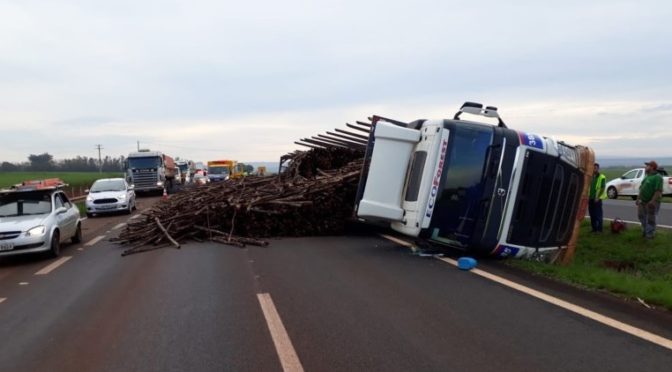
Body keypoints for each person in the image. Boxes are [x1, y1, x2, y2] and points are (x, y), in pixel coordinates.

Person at [637, 160, 663, 239]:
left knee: (651, 219)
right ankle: (645, 231)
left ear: (652, 167)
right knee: (641, 216)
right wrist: (638, 198)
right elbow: (641, 188)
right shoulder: (647, 176)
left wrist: (652, 201)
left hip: (652, 202)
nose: (645, 167)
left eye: (647, 165)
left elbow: (658, 191)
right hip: (643, 201)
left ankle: (649, 235)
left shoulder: (657, 177)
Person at [588, 163, 607, 233]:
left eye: (596, 168)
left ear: (598, 168)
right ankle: (594, 229)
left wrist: (598, 197)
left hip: (597, 199)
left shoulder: (602, 177)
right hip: (590, 198)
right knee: (592, 214)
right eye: (593, 168)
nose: (594, 169)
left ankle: (599, 229)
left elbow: (602, 188)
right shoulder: (590, 176)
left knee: (598, 215)